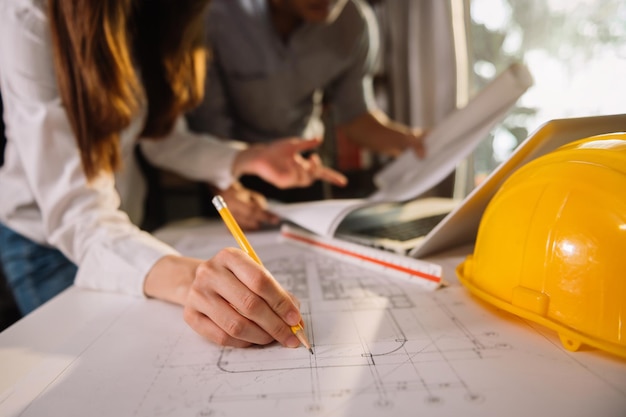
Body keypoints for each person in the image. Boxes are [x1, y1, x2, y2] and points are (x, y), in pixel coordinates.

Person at [0, 0, 347, 349]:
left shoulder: (160, 12)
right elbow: (78, 215)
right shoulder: (29, 12)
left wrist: (249, 158)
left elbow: (159, 137)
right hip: (45, 246)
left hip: (124, 236)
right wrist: (189, 278)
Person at [186, 0, 427, 229]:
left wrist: (414, 143)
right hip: (229, 168)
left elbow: (356, 118)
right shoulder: (217, 16)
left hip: (303, 167)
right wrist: (226, 186)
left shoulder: (353, 22)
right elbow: (208, 125)